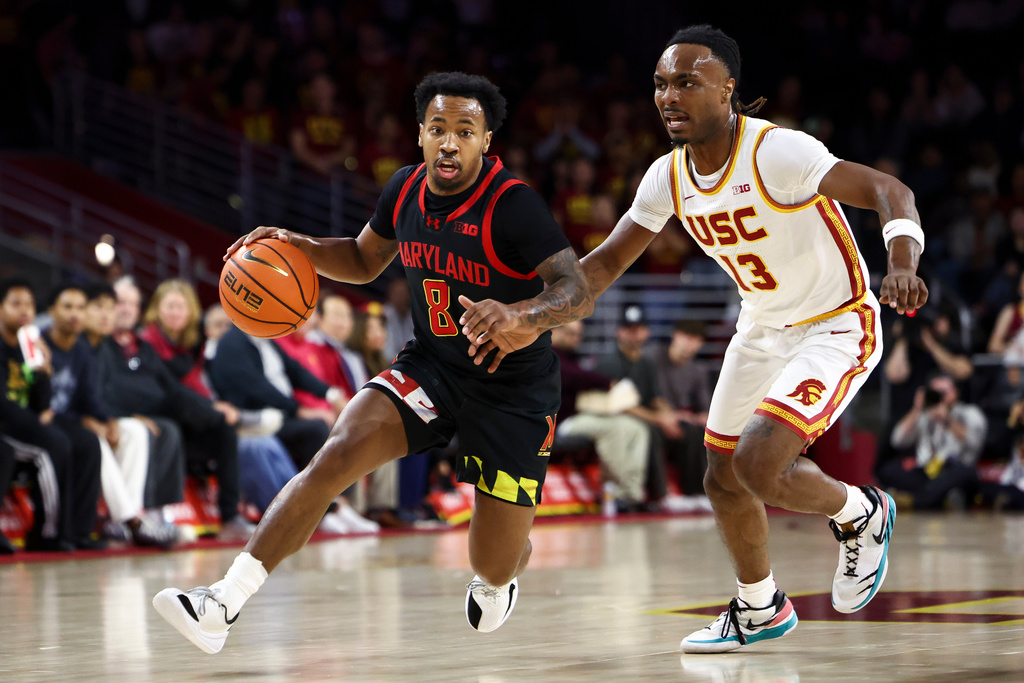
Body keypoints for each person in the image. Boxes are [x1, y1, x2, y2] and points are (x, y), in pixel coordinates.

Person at [459, 25, 927, 653]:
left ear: (728, 90)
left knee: (759, 464)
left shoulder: (777, 153)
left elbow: (888, 191)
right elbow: (596, 272)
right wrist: (525, 316)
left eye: (686, 82)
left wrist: (901, 264)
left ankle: (860, 513)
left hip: (836, 322)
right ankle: (759, 607)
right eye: (660, 84)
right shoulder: (666, 177)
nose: (668, 96)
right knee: (721, 476)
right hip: (761, 325)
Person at [154, 71, 589, 653]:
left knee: (492, 562)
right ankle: (222, 603)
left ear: (487, 142)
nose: (450, 142)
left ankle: (507, 566)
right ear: (420, 135)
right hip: (432, 367)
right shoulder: (404, 189)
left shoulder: (513, 205)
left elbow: (575, 290)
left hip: (512, 390)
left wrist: (523, 317)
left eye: (465, 130)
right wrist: (301, 249)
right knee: (335, 455)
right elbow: (363, 261)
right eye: (438, 128)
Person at [95, 277, 252, 541]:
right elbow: (111, 391)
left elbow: (172, 386)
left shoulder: (141, 347)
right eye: (120, 302)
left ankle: (230, 517)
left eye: (133, 303)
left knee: (222, 429)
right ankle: (145, 517)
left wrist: (213, 408)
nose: (126, 309)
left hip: (160, 410)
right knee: (171, 420)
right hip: (137, 414)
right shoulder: (104, 346)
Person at [43, 282, 177, 548]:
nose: (105, 315)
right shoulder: (63, 342)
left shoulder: (98, 347)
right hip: (62, 420)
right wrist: (91, 420)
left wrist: (110, 419)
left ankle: (123, 520)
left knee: (136, 431)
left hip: (84, 416)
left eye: (109, 308)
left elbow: (92, 397)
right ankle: (130, 520)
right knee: (96, 439)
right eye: (97, 307)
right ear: (53, 311)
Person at [550, 319, 648, 508]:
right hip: (558, 422)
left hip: (579, 417)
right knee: (612, 428)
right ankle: (619, 493)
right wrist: (607, 383)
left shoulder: (572, 355)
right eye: (571, 333)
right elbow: (572, 376)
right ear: (555, 330)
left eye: (579, 334)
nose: (576, 339)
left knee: (636, 427)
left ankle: (633, 493)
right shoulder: (547, 354)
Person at [880, 374, 986, 510]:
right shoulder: (925, 414)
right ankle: (938, 498)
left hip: (954, 468)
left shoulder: (969, 413)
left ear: (955, 393)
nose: (940, 397)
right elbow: (897, 440)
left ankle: (914, 500)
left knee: (965, 474)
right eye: (935, 393)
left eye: (943, 393)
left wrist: (947, 419)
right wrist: (916, 409)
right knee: (888, 471)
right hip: (927, 471)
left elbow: (975, 443)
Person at [649, 319, 714, 512]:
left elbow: (705, 408)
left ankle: (695, 493)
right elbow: (647, 394)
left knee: (699, 432)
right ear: (675, 335)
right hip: (652, 417)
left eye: (696, 339)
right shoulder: (651, 358)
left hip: (679, 422)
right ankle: (661, 495)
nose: (690, 344)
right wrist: (666, 416)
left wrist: (703, 417)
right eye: (687, 337)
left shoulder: (697, 370)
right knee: (652, 433)